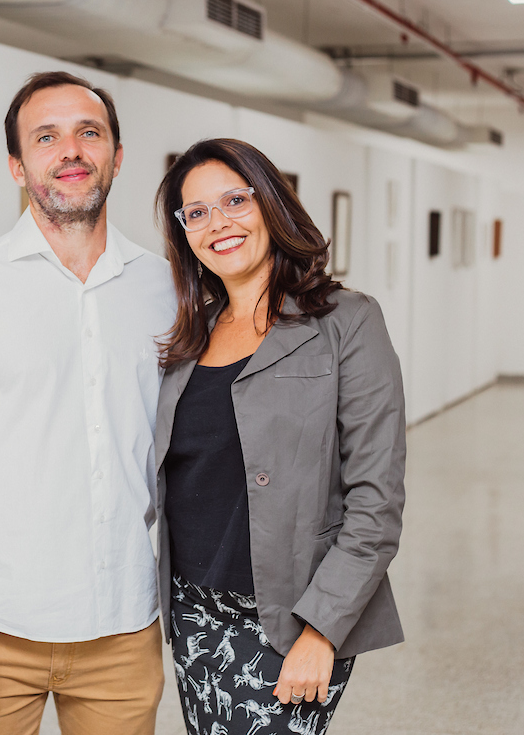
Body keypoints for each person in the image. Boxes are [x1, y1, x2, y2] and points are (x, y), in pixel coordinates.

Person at [0, 71, 175, 734]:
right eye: (46, 137)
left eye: (90, 132)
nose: (71, 151)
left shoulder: (164, 288)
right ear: (18, 167)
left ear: (116, 154)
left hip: (123, 630)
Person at [152, 138, 406, 735]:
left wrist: (322, 632)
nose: (219, 223)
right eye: (197, 212)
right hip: (195, 613)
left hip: (292, 618)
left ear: (270, 204)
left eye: (235, 200)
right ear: (184, 231)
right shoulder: (190, 336)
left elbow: (377, 502)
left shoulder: (346, 322)